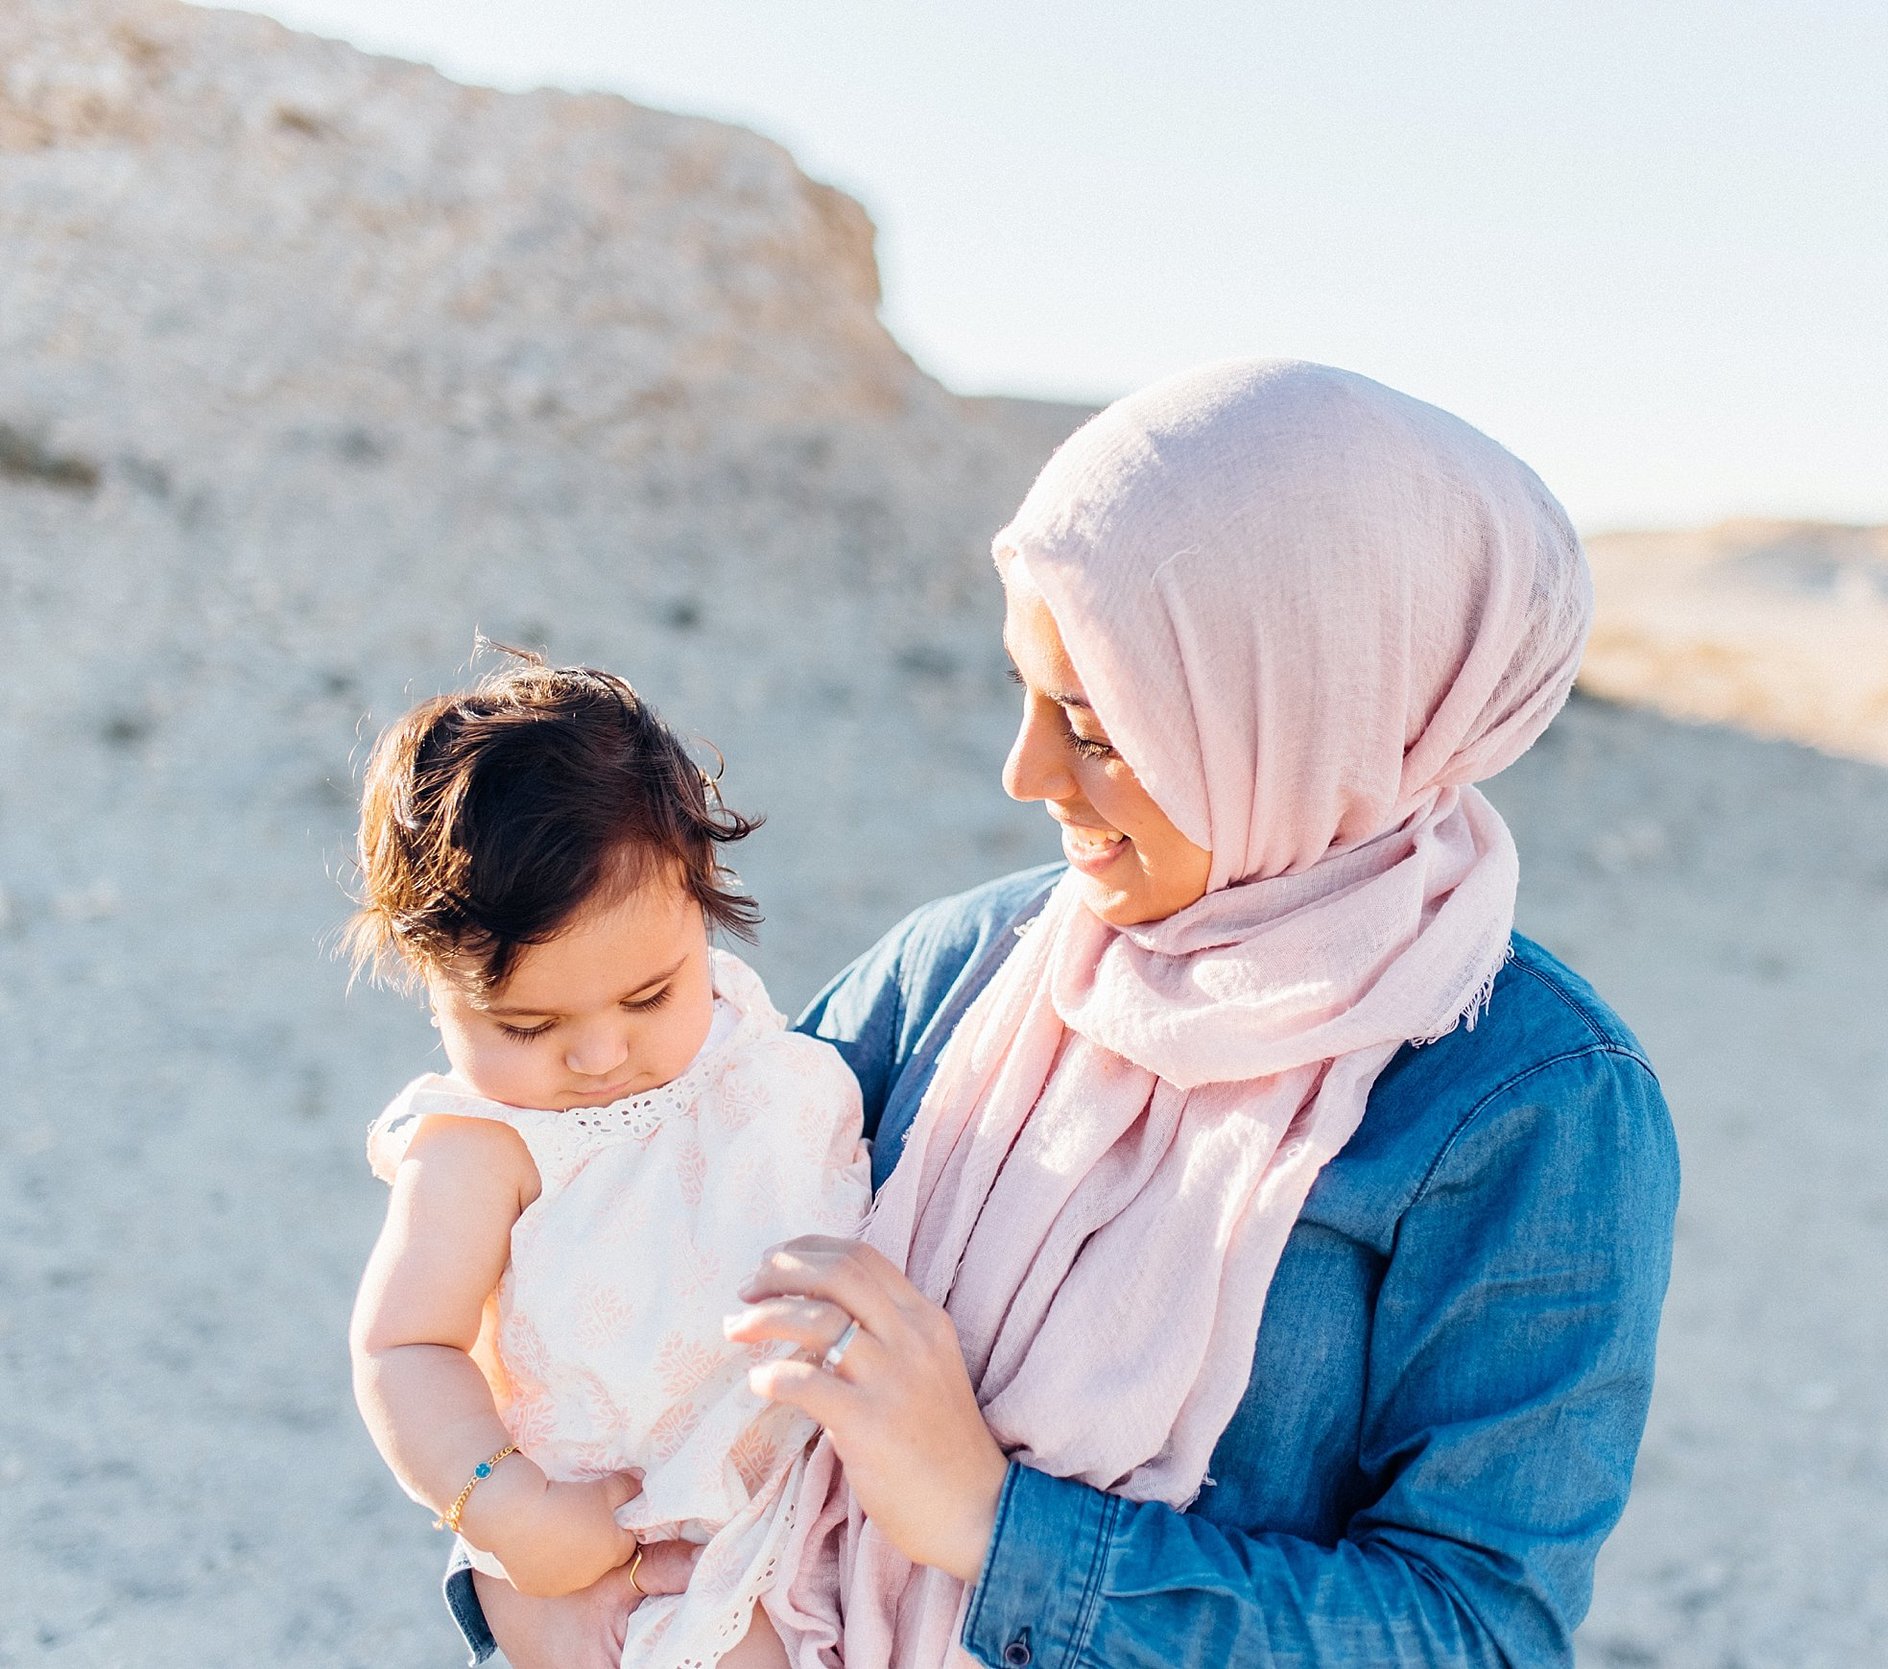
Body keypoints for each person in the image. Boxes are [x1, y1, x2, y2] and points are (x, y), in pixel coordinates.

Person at [460, 359, 1680, 1668]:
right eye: (1025, 693)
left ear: (1300, 712)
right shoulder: (965, 966)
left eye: (1098, 725)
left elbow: (1476, 1633)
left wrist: (990, 1520)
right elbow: (623, 1240)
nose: (1026, 771)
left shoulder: (1529, 1101)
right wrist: (536, 1573)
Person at [349, 655, 873, 1669]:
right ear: (431, 986)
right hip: (625, 1540)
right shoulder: (485, 1144)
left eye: (646, 997)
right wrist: (504, 1504)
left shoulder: (743, 1044)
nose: (598, 1057)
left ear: (703, 903)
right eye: (528, 1024)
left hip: (810, 1499)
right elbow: (402, 1347)